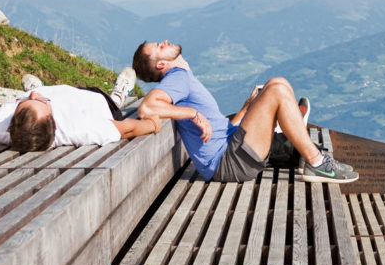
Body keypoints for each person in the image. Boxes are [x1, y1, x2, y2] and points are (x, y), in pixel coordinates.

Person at [132, 40, 358, 184]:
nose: (164, 42)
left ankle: (302, 146)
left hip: (231, 149)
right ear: (161, 65)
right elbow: (148, 107)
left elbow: (220, 130)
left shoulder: (183, 77)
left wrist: (245, 108)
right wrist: (192, 113)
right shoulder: (177, 79)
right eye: (159, 48)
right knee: (277, 89)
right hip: (229, 163)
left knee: (277, 83)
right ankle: (316, 163)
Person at [0, 68, 158, 152]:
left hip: (59, 93)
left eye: (26, 100)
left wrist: (35, 97)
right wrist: (152, 124)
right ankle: (119, 95)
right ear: (54, 123)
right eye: (40, 100)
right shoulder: (79, 128)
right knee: (113, 104)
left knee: (38, 93)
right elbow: (125, 129)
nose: (35, 95)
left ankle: (42, 86)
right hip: (96, 102)